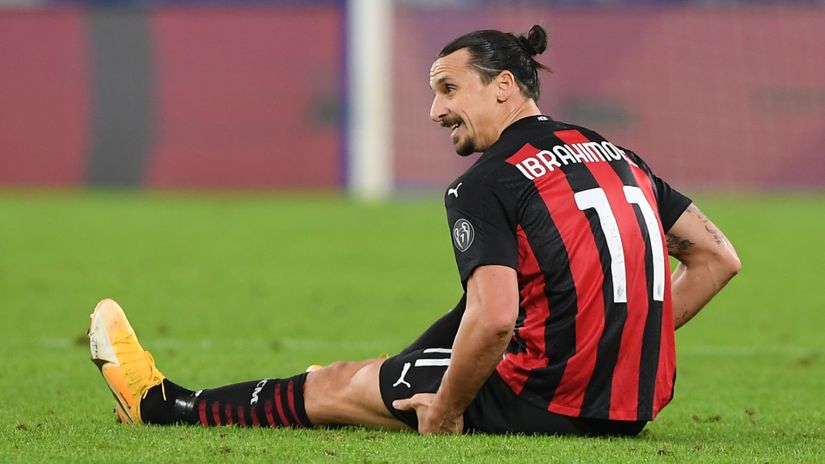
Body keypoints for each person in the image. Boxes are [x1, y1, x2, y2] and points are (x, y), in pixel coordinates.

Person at [89, 25, 740, 436]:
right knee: (421, 350)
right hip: (632, 407)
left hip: (542, 401)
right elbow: (715, 259)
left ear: (505, 85)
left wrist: (450, 410)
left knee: (339, 382)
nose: (435, 110)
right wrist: (618, 340)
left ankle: (160, 406)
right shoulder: (610, 153)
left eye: (448, 89)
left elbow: (492, 321)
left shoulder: (487, 182)